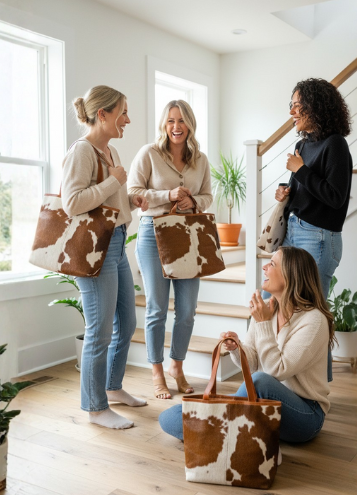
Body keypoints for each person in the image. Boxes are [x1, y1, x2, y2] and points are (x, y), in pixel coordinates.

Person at [158, 246, 334, 443]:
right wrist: (237, 348)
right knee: (171, 415)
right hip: (264, 404)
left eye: (273, 264)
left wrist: (263, 323)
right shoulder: (267, 308)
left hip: (305, 414)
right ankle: (229, 436)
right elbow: (252, 367)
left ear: (290, 276)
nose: (265, 267)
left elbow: (275, 371)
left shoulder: (314, 320)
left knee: (259, 382)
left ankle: (219, 434)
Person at [63, 85, 149, 430]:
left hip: (116, 245)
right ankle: (96, 409)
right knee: (99, 331)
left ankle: (112, 388)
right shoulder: (82, 151)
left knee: (126, 323)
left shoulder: (109, 152)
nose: (127, 119)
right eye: (122, 112)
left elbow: (108, 199)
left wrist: (130, 199)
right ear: (103, 114)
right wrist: (114, 182)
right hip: (93, 251)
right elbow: (72, 203)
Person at [128, 100, 213, 400]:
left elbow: (207, 195)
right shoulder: (149, 153)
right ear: (164, 125)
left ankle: (177, 366)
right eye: (170, 121)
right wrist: (168, 194)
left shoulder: (200, 159)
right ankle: (157, 372)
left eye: (181, 121)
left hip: (188, 236)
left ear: (190, 124)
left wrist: (195, 202)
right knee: (156, 309)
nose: (176, 126)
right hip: (153, 235)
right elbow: (133, 192)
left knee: (187, 311)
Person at [273, 77, 353, 382]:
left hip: (319, 237)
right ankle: (294, 380)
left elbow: (335, 197)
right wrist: (286, 191)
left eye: (296, 104)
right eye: (291, 104)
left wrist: (300, 170)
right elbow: (301, 187)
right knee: (290, 308)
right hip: (295, 231)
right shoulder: (302, 144)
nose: (292, 111)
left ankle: (317, 387)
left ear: (314, 107)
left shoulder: (335, 145)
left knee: (313, 316)